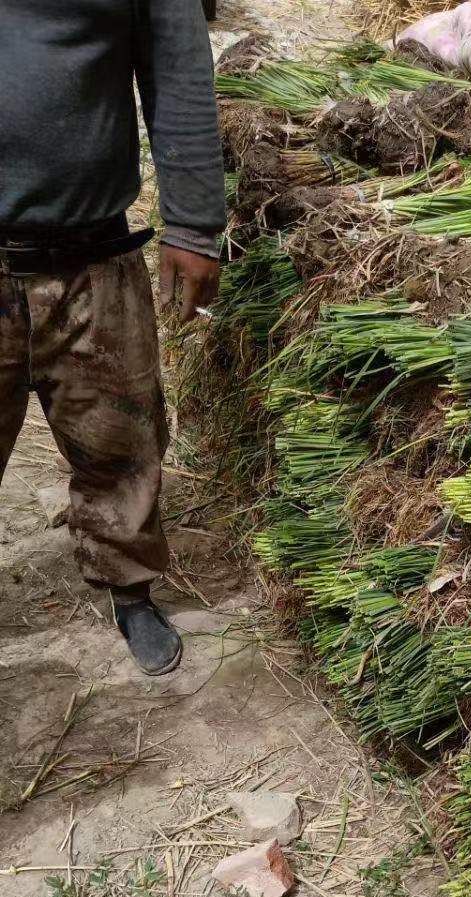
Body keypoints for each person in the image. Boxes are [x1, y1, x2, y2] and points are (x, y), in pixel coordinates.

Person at [0, 0, 227, 675]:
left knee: (119, 437)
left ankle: (129, 587)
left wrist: (192, 224)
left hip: (93, 255)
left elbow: (178, 70)